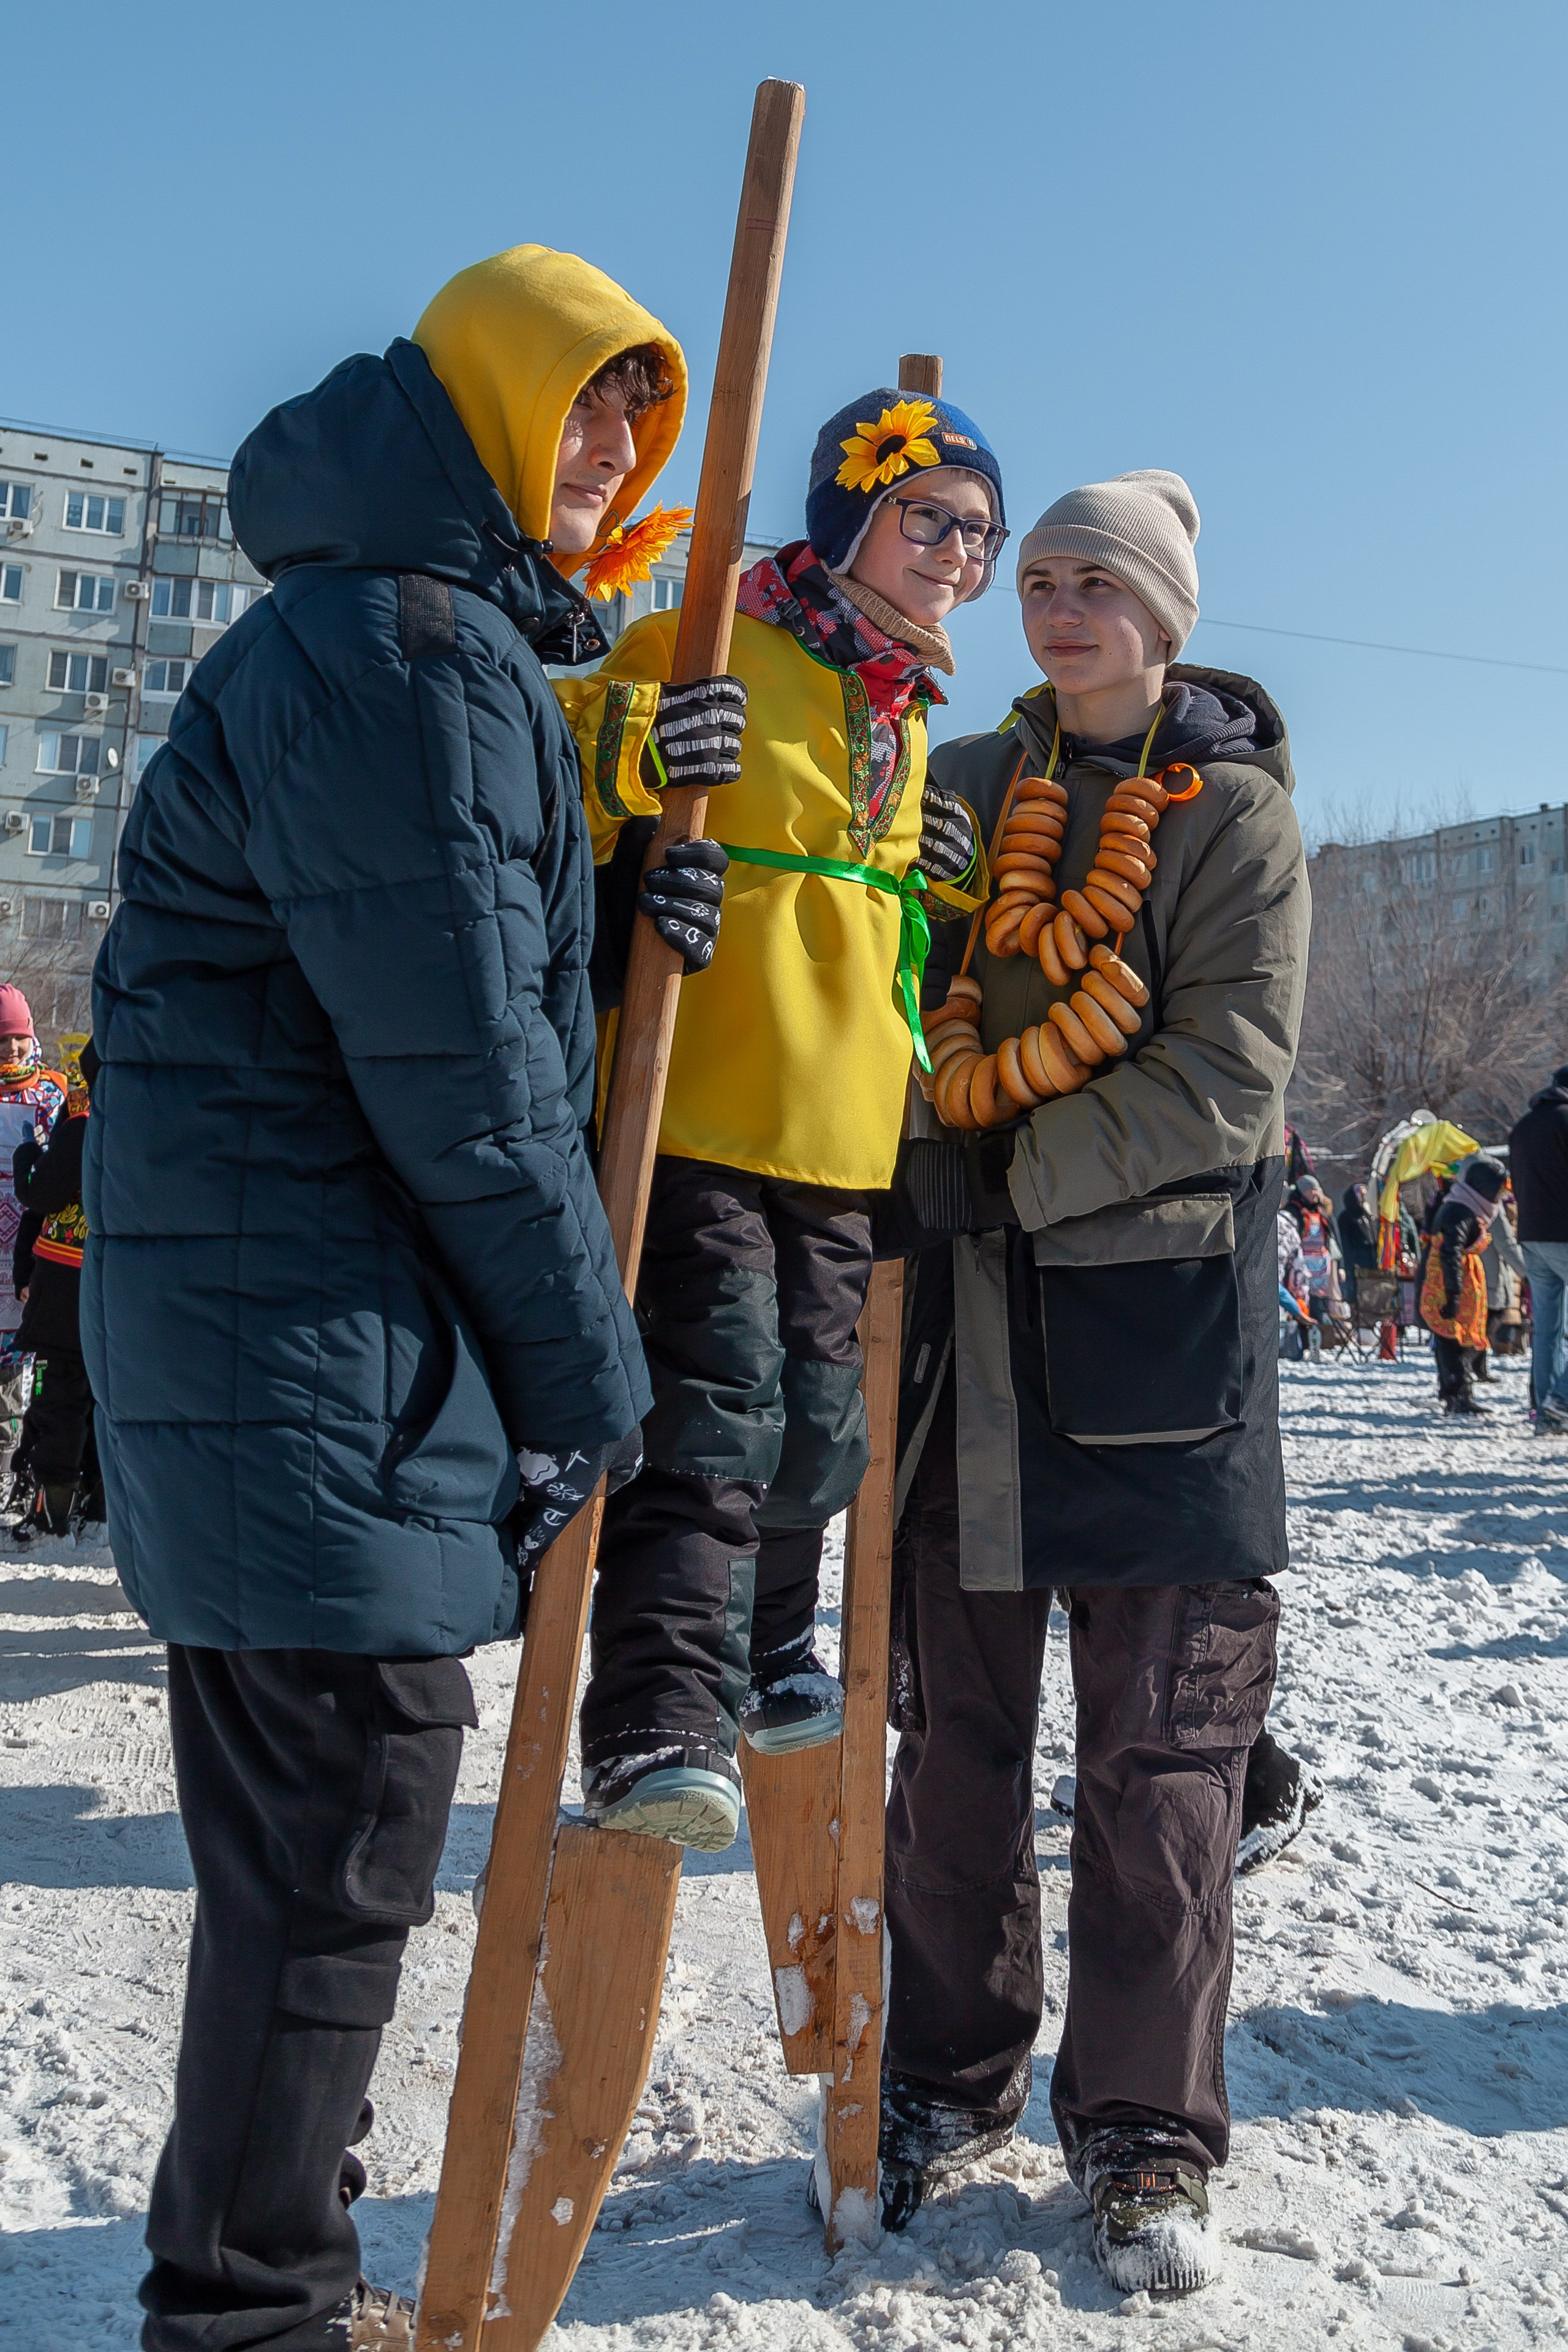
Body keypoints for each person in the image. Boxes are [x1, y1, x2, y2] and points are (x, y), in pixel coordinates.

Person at [81, 243, 739, 2352]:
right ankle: (254, 2316)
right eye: (586, 401)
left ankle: (261, 2280)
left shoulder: (409, 640)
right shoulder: (402, 654)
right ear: (482, 404)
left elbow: (458, 972)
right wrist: (592, 1374)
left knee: (300, 1877)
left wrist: (632, 886)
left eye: (642, 416)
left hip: (298, 1350)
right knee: (337, 1867)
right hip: (312, 1353)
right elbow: (464, 1085)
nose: (617, 445)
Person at [881, 469, 1309, 2293]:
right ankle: (943, 2072)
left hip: (1161, 1368)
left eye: (1096, 584)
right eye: (1037, 577)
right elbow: (881, 975)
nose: (1057, 608)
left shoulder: (1238, 826)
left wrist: (995, 1159)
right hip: (961, 1354)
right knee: (952, 1758)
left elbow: (1223, 1076)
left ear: (1167, 615)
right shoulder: (963, 789)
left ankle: (1144, 2125)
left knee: (1162, 1763)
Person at [556, 388, 1001, 1848]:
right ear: (846, 508)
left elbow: (866, 918)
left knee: (819, 1426)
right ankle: (651, 1710)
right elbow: (561, 772)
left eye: (975, 535)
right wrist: (638, 752)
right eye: (928, 515)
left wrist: (930, 889)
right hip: (707, 1090)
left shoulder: (909, 708)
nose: (954, 554)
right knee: (711, 1405)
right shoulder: (707, 638)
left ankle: (760, 1649)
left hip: (842, 1120)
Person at [10, 1036, 100, 1539]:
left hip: (65, 1286)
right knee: (101, 1396)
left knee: (57, 1394)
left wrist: (28, 1154)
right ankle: (98, 1506)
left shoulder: (83, 1125)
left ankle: (51, 1509)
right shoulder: (142, 1123)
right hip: (114, 1282)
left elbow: (40, 1193)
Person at [0, 986, 67, 1488]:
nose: (12, 1049)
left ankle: (12, 1475)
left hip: (28, 1248)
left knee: (21, 1375)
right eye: (3, 1041)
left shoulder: (53, 1092)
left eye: (19, 1037)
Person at [1422, 1156, 1507, 1412]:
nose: (1501, 1194)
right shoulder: (1461, 1210)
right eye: (1498, 1188)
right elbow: (1450, 1252)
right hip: (1448, 1282)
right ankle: (1460, 1397)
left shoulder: (1466, 1206)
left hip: (1456, 1280)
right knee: (1453, 1340)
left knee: (1454, 1340)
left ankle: (1453, 1392)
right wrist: (1454, 1293)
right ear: (1484, 1187)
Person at [1509, 1065, 1568, 1426]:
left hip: (1531, 1236)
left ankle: (1547, 1414)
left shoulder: (1522, 1127)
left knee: (1547, 1332)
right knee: (1551, 1331)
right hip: (1565, 1233)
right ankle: (1562, 1398)